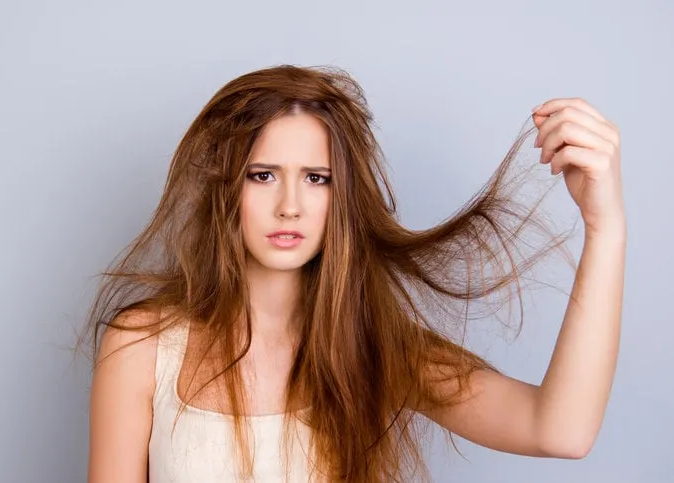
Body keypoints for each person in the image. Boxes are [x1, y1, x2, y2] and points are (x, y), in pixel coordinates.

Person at [81, 64, 626, 482]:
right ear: (225, 187)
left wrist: (605, 227)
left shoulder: (376, 349)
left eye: (316, 178)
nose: (290, 205)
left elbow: (559, 431)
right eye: (263, 175)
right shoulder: (143, 347)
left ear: (341, 196)